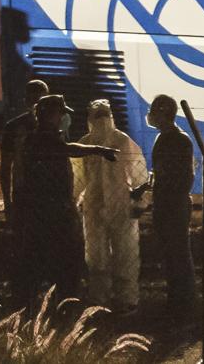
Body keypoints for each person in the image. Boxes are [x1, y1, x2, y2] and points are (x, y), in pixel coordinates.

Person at [12, 94, 117, 304]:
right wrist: (98, 150)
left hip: (42, 211)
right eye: (60, 113)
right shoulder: (42, 140)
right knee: (65, 259)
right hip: (53, 211)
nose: (62, 118)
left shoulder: (34, 139)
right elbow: (68, 149)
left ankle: (39, 300)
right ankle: (62, 302)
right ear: (50, 115)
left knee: (40, 259)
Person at [74, 99, 149, 314]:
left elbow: (139, 175)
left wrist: (140, 202)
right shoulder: (86, 145)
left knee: (125, 253)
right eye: (98, 116)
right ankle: (100, 299)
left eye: (104, 115)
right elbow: (78, 178)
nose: (102, 120)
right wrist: (74, 201)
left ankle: (127, 299)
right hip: (94, 205)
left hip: (121, 205)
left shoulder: (123, 143)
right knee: (96, 254)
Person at [147, 94, 196, 324]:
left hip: (172, 204)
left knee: (177, 254)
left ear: (163, 113)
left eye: (154, 111)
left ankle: (182, 301)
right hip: (168, 203)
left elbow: (177, 175)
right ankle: (178, 299)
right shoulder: (169, 138)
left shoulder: (175, 140)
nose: (150, 115)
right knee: (172, 254)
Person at [1, 79, 49, 215]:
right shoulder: (56, 125)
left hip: (23, 187)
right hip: (47, 187)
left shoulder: (14, 126)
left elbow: (5, 167)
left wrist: (7, 201)